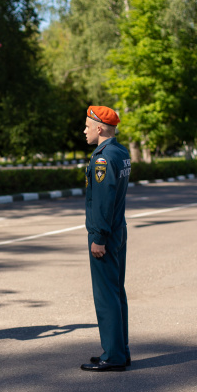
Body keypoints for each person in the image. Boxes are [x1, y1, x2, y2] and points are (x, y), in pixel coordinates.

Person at [80, 106, 132, 372]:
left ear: (99, 129)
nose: (85, 131)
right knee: (116, 292)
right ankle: (120, 351)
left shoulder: (102, 158)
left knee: (106, 295)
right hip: (118, 230)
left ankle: (112, 356)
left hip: (106, 234)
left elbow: (102, 201)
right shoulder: (120, 152)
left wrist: (98, 237)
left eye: (88, 126)